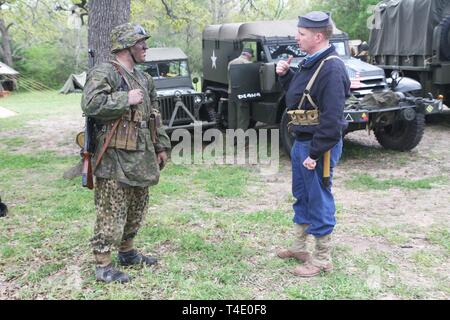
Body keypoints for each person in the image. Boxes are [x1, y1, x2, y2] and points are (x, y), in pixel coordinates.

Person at [81, 23, 171, 284]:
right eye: (141, 43)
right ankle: (103, 264)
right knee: (111, 210)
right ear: (127, 47)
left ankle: (127, 252)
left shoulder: (145, 78)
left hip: (142, 153)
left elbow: (155, 115)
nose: (146, 47)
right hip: (113, 155)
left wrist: (161, 146)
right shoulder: (105, 72)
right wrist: (124, 99)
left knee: (137, 206)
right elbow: (90, 104)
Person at [275, 12, 350, 277]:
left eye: (302, 34)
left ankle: (321, 259)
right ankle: (299, 247)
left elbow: (332, 119)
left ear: (318, 37)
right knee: (302, 195)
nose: (297, 37)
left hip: (319, 146)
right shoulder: (311, 61)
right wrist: (286, 76)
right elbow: (300, 99)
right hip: (302, 141)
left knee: (319, 198)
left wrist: (316, 153)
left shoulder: (331, 67)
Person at [227, 48, 254, 130]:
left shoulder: (231, 62)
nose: (251, 58)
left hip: (231, 93)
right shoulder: (247, 63)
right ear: (248, 55)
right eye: (251, 56)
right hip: (242, 93)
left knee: (232, 117)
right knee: (242, 118)